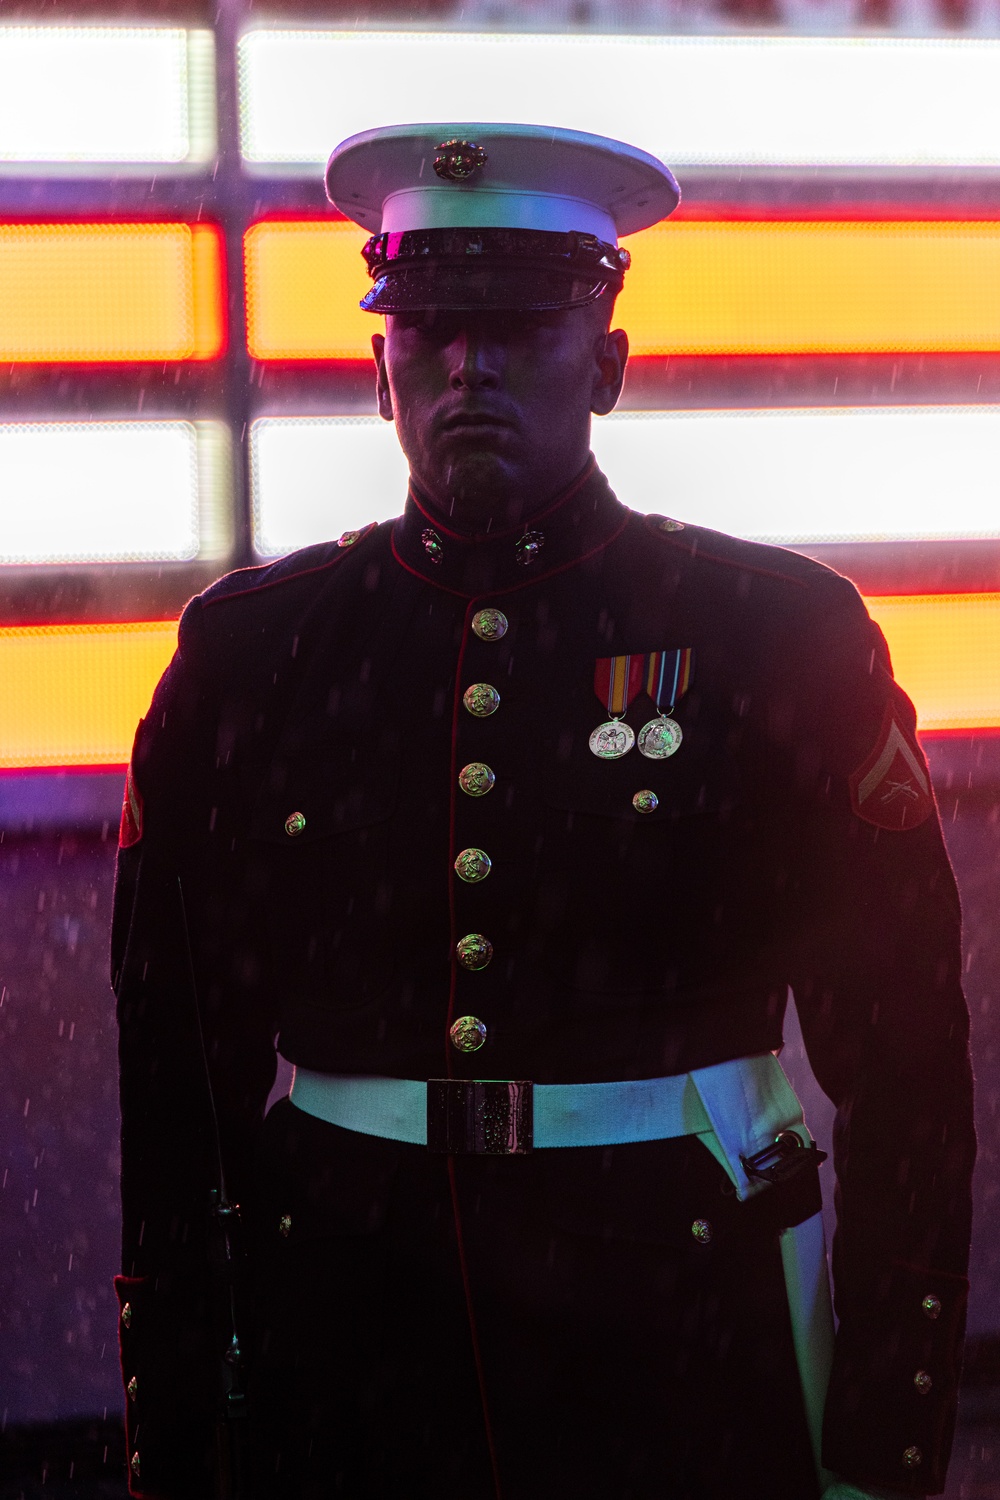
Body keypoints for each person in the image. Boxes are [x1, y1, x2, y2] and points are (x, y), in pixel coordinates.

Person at [111, 123, 975, 1500]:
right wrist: (181, 1430)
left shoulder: (775, 638)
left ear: (610, 361)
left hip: (680, 1318)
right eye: (434, 325)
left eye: (519, 323)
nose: (471, 363)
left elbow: (908, 1064)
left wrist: (885, 1427)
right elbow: (175, 1090)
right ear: (377, 369)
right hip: (349, 1322)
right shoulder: (253, 659)